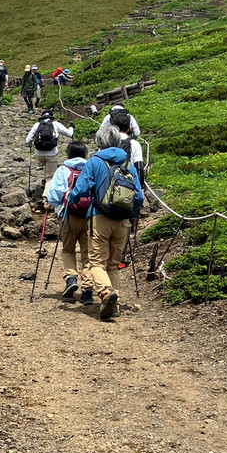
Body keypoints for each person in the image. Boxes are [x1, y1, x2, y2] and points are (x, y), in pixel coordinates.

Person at [67, 125, 144, 320]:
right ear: (118, 141)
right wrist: (130, 215)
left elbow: (82, 189)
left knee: (95, 263)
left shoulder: (94, 161)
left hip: (99, 217)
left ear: (99, 142)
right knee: (113, 264)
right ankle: (115, 306)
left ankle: (106, 293)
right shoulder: (129, 164)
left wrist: (70, 199)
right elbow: (139, 196)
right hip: (123, 221)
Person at [45, 141, 94, 304]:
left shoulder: (62, 170)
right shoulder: (92, 168)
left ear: (68, 154)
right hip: (90, 217)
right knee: (88, 254)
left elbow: (54, 195)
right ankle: (87, 290)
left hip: (69, 215)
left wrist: (55, 205)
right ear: (85, 154)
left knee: (68, 250)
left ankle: (71, 278)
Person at [25, 110, 74, 202]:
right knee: (51, 176)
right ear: (51, 117)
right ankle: (46, 197)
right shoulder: (55, 124)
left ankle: (44, 185)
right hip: (51, 154)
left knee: (47, 169)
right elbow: (69, 134)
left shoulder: (37, 125)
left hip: (39, 154)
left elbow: (28, 140)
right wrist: (71, 127)